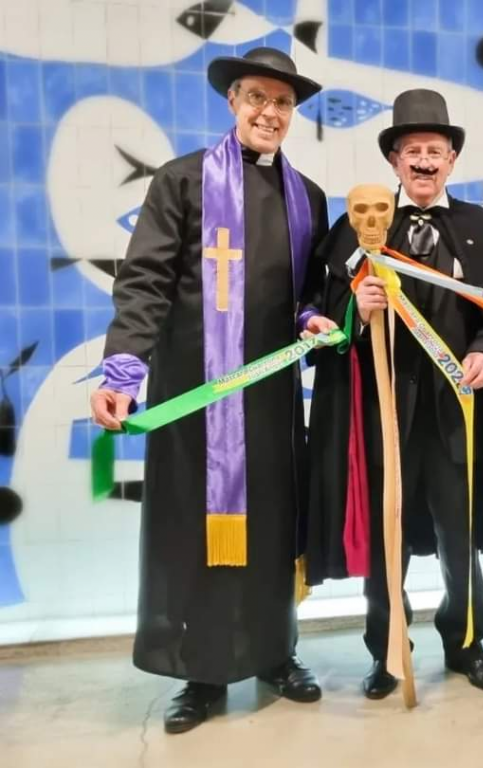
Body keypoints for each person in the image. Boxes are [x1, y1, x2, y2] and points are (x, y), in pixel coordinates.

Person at [91, 47, 333, 734]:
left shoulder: (308, 197)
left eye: (283, 103)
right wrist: (123, 371)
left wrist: (312, 317)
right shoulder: (183, 181)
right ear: (233, 101)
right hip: (194, 398)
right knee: (194, 534)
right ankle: (200, 672)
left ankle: (276, 652)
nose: (269, 112)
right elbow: (145, 280)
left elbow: (307, 292)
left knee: (271, 530)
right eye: (257, 97)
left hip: (271, 398)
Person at [304, 89, 483, 699]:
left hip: (455, 415)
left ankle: (467, 645)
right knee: (388, 542)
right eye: (411, 150)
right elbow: (323, 315)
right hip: (383, 414)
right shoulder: (356, 228)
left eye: (435, 150)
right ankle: (388, 652)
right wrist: (356, 309)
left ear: (452, 159)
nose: (423, 161)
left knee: (460, 538)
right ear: (394, 161)